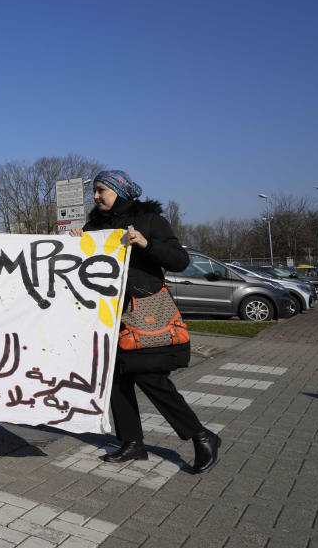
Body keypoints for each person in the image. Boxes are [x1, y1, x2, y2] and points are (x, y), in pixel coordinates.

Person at [70, 170, 220, 474]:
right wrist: (76, 244)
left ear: (119, 191)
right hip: (107, 316)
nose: (96, 196)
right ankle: (132, 443)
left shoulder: (149, 220)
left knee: (151, 377)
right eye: (94, 192)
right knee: (115, 380)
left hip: (144, 311)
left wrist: (146, 243)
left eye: (101, 190)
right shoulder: (93, 226)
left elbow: (180, 260)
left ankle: (201, 435)